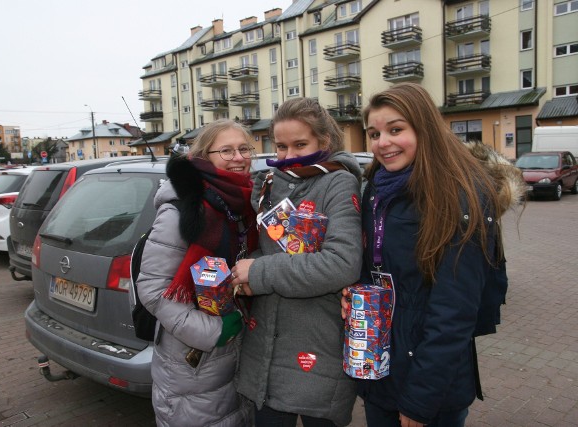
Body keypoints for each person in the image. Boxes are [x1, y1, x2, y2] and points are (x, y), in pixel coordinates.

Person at [346, 83, 524, 427]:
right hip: (380, 369)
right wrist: (355, 292)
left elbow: (454, 312)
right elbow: (377, 267)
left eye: (396, 130)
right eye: (374, 133)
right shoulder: (377, 189)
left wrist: (419, 401)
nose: (383, 143)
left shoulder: (460, 199)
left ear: (424, 129)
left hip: (430, 387)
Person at [231, 98, 363, 427]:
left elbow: (341, 263)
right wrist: (247, 271)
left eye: (300, 144)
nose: (289, 156)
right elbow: (275, 250)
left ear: (325, 141)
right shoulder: (272, 185)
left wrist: (259, 272)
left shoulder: (338, 182)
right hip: (265, 350)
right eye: (281, 146)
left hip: (317, 347)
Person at [136, 119, 258, 427]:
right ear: (205, 157)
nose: (238, 157)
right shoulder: (182, 211)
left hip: (240, 357)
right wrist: (214, 333)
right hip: (194, 363)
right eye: (226, 150)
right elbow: (153, 290)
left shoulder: (247, 205)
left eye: (244, 148)